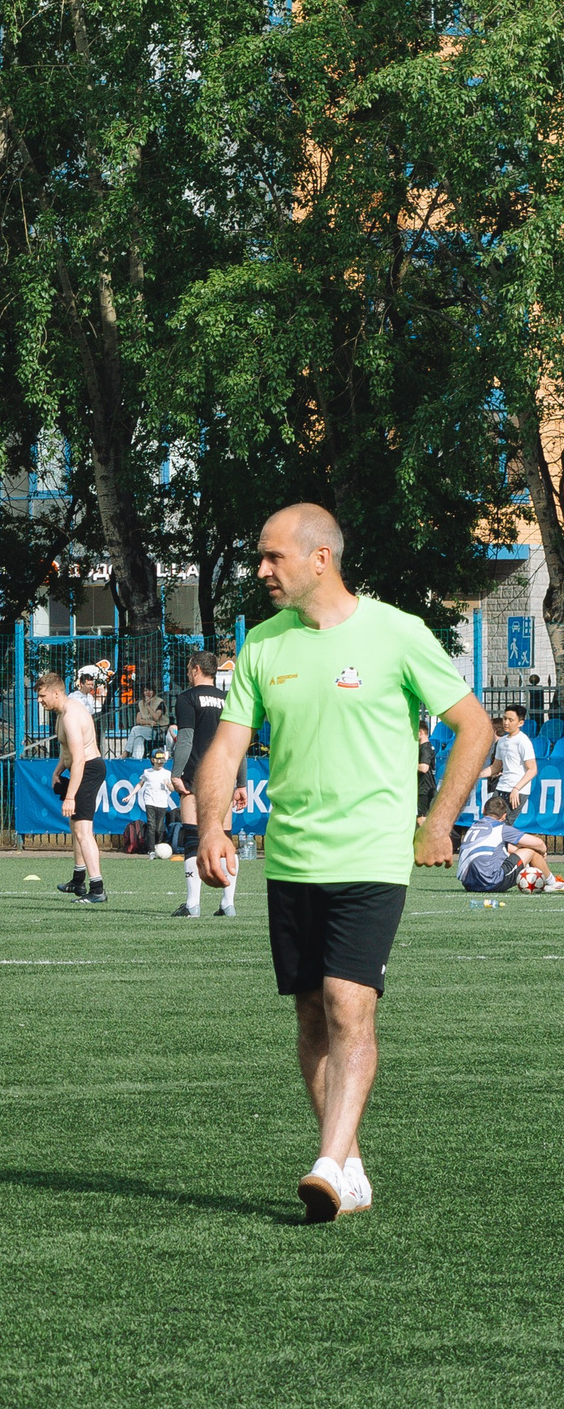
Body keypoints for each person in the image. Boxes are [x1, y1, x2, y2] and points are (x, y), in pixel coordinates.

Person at [193, 502, 495, 1223]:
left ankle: (328, 1163)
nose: (260, 570)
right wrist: (212, 825)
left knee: (347, 1005)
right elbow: (227, 748)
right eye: (259, 558)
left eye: (272, 557)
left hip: (371, 857)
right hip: (290, 859)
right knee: (308, 1015)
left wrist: (438, 821)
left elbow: (474, 726)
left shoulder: (397, 634)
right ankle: (349, 1166)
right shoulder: (263, 646)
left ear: (319, 557)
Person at [168, 652, 232, 918]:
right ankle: (228, 904)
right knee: (226, 838)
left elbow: (185, 739)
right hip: (224, 774)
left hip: (196, 773)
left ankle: (193, 904)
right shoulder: (227, 699)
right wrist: (239, 783)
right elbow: (234, 743)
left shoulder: (187, 698)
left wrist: (176, 772)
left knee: (193, 836)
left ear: (195, 669)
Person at [40, 670, 107, 902]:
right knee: (75, 825)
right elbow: (67, 750)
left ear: (56, 693)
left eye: (42, 696)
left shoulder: (69, 716)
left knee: (83, 830)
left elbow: (78, 759)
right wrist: (58, 769)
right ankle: (78, 880)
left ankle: (97, 889)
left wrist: (70, 797)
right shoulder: (62, 711)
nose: (40, 700)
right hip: (84, 768)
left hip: (88, 769)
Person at [458, 794, 547, 893]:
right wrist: (542, 853)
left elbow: (502, 848)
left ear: (483, 810)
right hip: (490, 882)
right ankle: (552, 883)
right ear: (504, 816)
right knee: (531, 850)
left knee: (521, 851)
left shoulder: (474, 826)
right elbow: (539, 844)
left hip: (468, 884)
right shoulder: (500, 828)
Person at [485, 705, 539, 812]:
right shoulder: (502, 741)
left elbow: (532, 769)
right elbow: (496, 767)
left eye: (510, 720)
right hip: (501, 788)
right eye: (505, 719)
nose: (506, 723)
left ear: (521, 723)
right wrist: (476, 775)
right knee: (491, 819)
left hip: (517, 791)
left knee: (506, 823)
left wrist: (516, 788)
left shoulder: (523, 741)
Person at [137, 750, 178, 853]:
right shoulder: (147, 772)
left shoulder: (167, 773)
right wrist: (130, 795)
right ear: (152, 760)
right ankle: (151, 850)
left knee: (159, 828)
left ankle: (158, 847)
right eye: (158, 761)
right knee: (151, 825)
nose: (160, 764)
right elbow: (140, 784)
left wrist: (168, 784)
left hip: (162, 803)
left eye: (161, 761)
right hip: (150, 802)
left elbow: (172, 789)